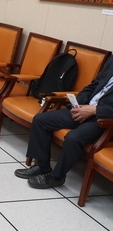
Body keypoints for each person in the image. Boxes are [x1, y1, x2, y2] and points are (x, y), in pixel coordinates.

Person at [14, 58, 113, 188]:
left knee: (73, 138)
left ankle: (57, 177)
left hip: (103, 120)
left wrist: (95, 110)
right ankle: (42, 167)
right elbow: (94, 85)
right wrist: (78, 103)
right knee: (40, 120)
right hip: (84, 108)